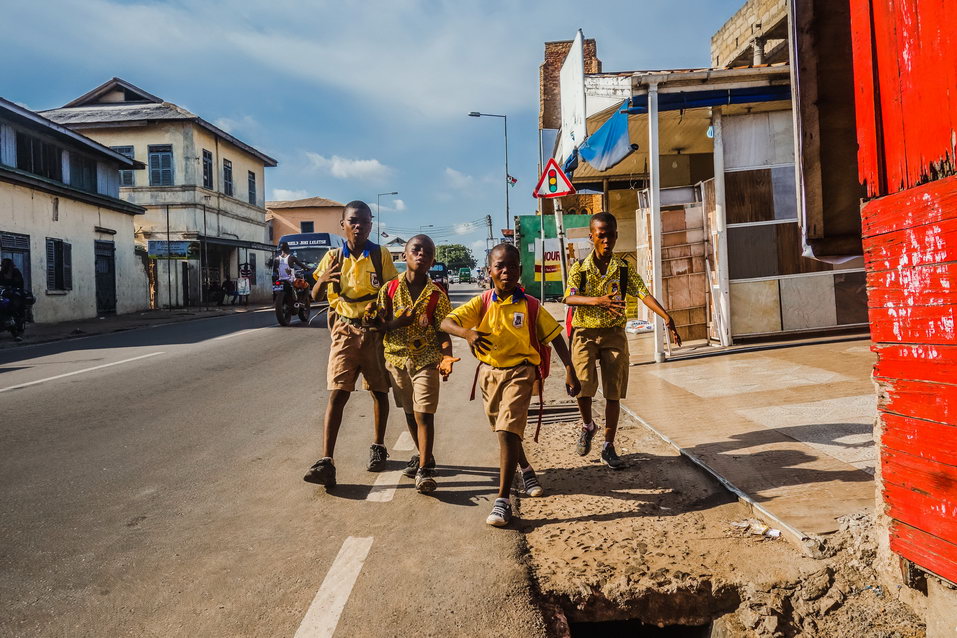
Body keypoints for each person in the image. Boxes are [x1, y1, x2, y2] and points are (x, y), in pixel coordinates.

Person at [441, 243, 580, 527]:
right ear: (489, 270)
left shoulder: (530, 305)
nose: (506, 272)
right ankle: (526, 468)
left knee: (507, 430)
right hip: (489, 375)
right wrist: (467, 333)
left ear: (520, 270)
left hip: (521, 373)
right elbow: (446, 322)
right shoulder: (482, 303)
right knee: (506, 431)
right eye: (499, 266)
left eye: (512, 266)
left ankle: (502, 500)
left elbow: (555, 336)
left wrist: (569, 369)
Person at [563, 212, 682, 470]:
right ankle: (588, 425)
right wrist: (598, 301)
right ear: (591, 236)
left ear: (617, 236)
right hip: (584, 332)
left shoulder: (624, 269)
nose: (606, 240)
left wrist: (666, 317)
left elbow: (643, 293)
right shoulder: (580, 268)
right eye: (601, 235)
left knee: (614, 392)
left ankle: (608, 446)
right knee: (582, 388)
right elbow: (569, 298)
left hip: (615, 335)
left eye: (610, 235)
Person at [303, 201, 398, 487]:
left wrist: (384, 319)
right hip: (344, 331)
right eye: (353, 221)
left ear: (372, 224)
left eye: (365, 222)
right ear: (342, 224)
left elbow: (392, 292)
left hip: (373, 333)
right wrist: (324, 281)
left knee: (379, 391)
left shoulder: (380, 255)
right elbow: (314, 293)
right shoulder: (332, 256)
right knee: (337, 393)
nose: (359, 227)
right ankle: (326, 461)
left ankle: (378, 446)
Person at [376, 235, 459, 493]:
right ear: (404, 256)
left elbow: (443, 329)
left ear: (432, 261)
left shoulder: (437, 295)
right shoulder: (389, 290)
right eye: (416, 250)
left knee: (424, 413)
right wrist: (394, 324)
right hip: (397, 359)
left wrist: (446, 356)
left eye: (427, 252)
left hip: (427, 359)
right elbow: (378, 326)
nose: (421, 254)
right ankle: (426, 455)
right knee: (410, 412)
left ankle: (424, 470)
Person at [276, 242, 309, 307]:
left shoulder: (276, 259)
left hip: (280, 280)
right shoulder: (291, 257)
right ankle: (301, 302)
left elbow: (275, 270)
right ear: (288, 249)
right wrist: (307, 268)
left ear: (281, 250)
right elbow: (300, 264)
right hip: (291, 281)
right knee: (307, 286)